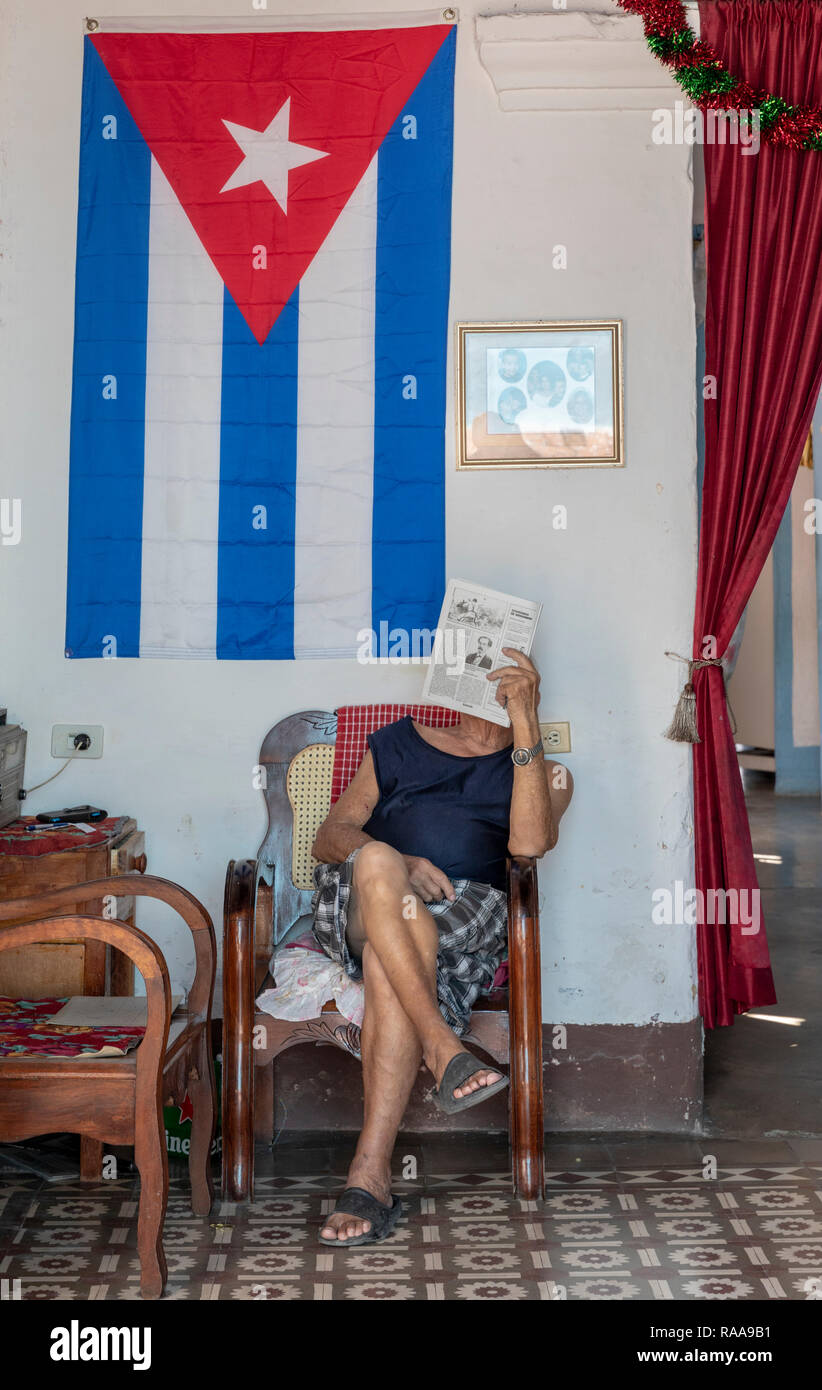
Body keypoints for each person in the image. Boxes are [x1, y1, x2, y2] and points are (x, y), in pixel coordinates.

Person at [310, 649, 573, 1246]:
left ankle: (368, 1175)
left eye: (514, 684)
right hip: (361, 898)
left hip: (464, 909)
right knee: (375, 858)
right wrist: (402, 863)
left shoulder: (541, 770)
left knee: (387, 953)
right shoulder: (397, 743)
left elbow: (529, 846)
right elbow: (332, 835)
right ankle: (442, 1046)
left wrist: (525, 723)